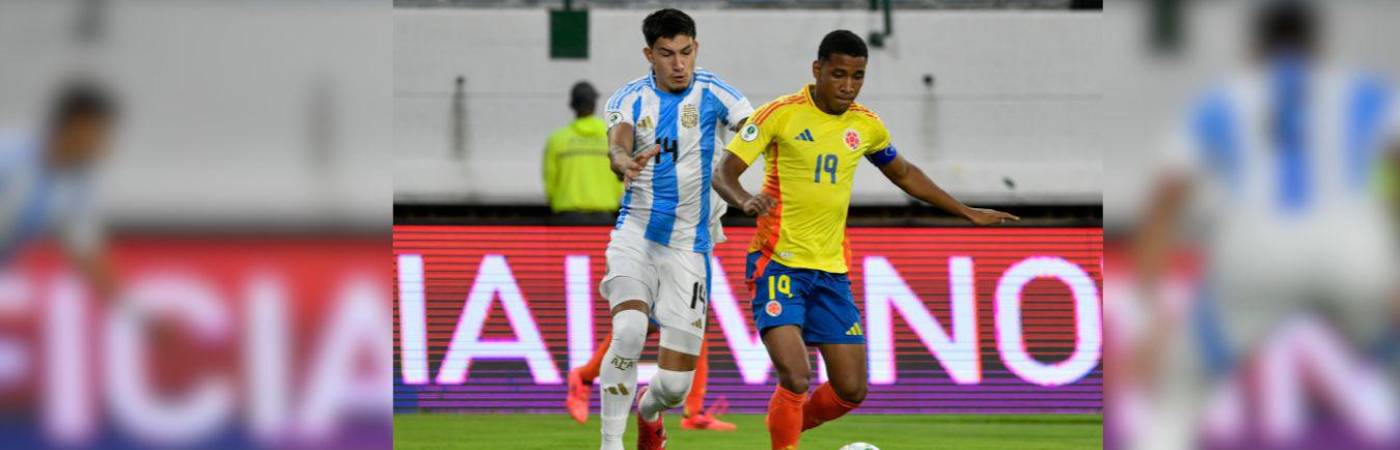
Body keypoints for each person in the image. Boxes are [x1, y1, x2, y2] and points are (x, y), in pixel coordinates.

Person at [713, 30, 1018, 450]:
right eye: (839, 74)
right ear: (817, 70)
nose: (848, 86)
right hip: (777, 263)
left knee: (851, 389)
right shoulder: (778, 115)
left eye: (858, 76)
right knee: (796, 376)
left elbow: (905, 174)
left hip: (832, 272)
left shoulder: (866, 125)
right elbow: (724, 173)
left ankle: (785, 428)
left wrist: (966, 211)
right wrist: (746, 199)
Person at [1130, 1, 1400, 448]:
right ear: (1319, 47)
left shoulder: (1225, 97)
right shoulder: (1365, 92)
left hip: (1253, 249)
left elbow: (1166, 198)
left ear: (1254, 49)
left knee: (1181, 386)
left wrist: (1147, 314)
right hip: (1354, 248)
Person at [596, 8, 754, 450]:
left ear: (695, 48)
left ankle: (648, 413)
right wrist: (620, 159)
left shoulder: (716, 92)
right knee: (627, 330)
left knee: (674, 389)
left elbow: (755, 129)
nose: (678, 63)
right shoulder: (627, 99)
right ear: (650, 54)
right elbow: (619, 141)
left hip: (690, 247)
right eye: (667, 54)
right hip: (637, 235)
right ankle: (611, 444)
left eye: (686, 52)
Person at [1, 80, 118, 302]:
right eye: (99, 133)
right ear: (76, 126)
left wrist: (135, 314)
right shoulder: (7, 156)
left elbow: (86, 255)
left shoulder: (77, 186)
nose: (104, 144)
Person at [543, 81, 623, 224]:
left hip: (567, 218)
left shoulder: (557, 139)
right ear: (594, 104)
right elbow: (621, 176)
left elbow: (550, 180)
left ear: (572, 105)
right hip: (604, 217)